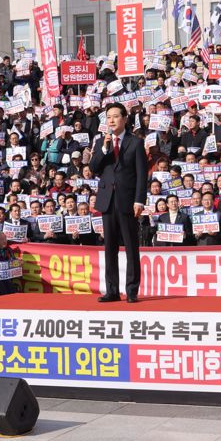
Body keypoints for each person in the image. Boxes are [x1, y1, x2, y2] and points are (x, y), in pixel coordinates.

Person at [88, 103, 147, 303]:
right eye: (108, 117)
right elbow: (94, 168)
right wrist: (104, 149)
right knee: (109, 248)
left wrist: (139, 200)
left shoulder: (135, 142)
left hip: (128, 200)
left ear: (125, 119)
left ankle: (132, 290)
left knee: (131, 247)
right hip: (107, 200)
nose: (111, 120)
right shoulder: (100, 142)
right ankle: (112, 290)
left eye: (115, 116)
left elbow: (141, 175)